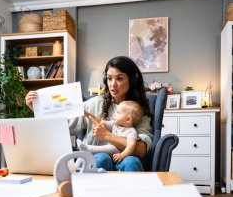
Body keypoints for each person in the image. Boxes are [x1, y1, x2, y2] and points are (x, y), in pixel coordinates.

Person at [25, 56, 153, 171]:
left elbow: (141, 150)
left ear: (132, 80)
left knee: (131, 162)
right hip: (97, 157)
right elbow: (64, 125)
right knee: (102, 158)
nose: (113, 84)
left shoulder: (139, 111)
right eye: (109, 79)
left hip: (125, 158)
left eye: (119, 78)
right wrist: (36, 108)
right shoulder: (94, 104)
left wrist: (108, 136)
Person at [76, 100, 144, 165]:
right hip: (110, 154)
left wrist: (122, 155)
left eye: (118, 113)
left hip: (119, 154)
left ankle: (88, 149)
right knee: (109, 147)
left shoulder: (131, 131)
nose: (115, 114)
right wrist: (87, 114)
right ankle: (84, 155)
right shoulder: (114, 124)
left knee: (111, 148)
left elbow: (131, 145)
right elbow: (101, 122)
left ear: (128, 119)